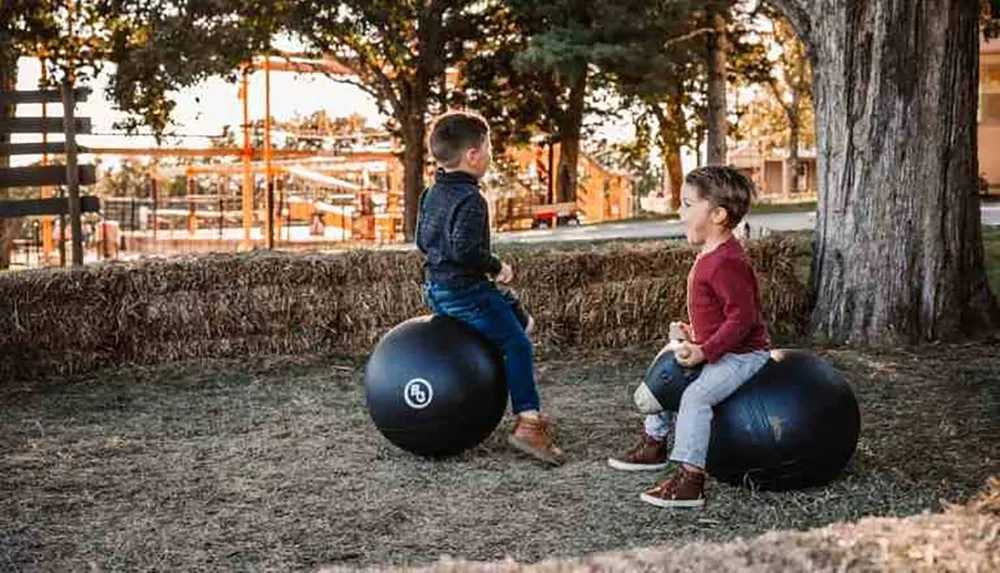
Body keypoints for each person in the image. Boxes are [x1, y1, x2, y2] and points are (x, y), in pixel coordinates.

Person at [608, 166, 771, 507]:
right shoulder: (711, 254)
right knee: (672, 375)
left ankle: (690, 480)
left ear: (718, 215)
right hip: (718, 348)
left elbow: (743, 319)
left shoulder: (727, 261)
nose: (679, 212)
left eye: (686, 204)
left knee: (696, 398)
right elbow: (721, 314)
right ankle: (654, 445)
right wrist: (692, 333)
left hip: (743, 355)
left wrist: (705, 350)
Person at [416, 110, 563, 465]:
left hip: (436, 289)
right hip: (466, 292)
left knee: (514, 312)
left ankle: (499, 374)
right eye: (489, 147)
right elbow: (466, 250)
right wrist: (496, 266)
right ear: (473, 155)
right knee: (517, 342)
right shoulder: (471, 200)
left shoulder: (431, 194)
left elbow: (422, 241)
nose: (491, 155)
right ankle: (529, 421)